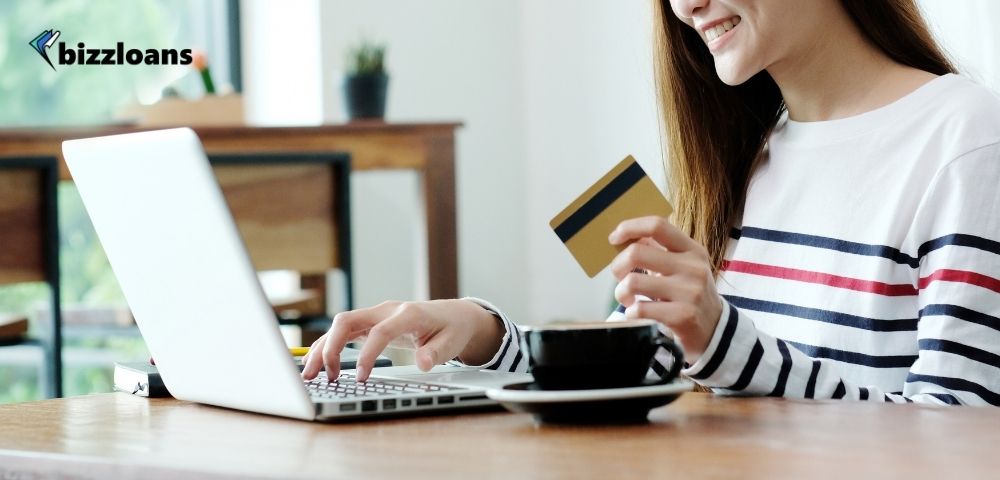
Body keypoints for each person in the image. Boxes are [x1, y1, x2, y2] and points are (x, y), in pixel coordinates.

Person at [303, 0, 1000, 406]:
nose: (686, 3)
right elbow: (642, 371)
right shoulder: (746, 155)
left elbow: (952, 439)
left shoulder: (964, 140)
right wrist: (483, 337)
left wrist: (721, 340)